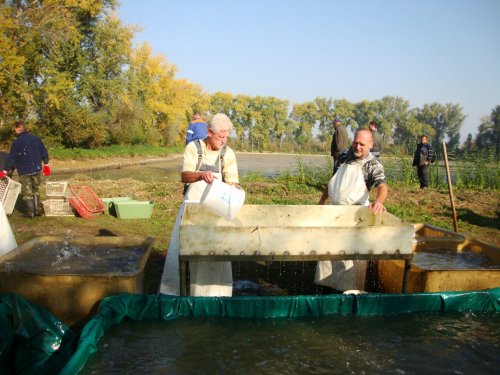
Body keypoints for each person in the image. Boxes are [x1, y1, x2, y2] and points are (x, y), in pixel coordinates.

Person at [160, 113, 240, 297]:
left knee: (218, 251)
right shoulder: (193, 148)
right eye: (221, 136)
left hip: (216, 210)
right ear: (210, 132)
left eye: (227, 136)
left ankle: (218, 294)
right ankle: (176, 293)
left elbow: (233, 181)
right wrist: (200, 175)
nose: (224, 140)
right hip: (192, 209)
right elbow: (185, 176)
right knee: (184, 250)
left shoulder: (228, 154)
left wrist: (235, 188)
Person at [317, 128, 388, 292]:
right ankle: (324, 287)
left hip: (355, 216)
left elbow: (382, 186)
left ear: (371, 144)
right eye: (355, 143)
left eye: (362, 144)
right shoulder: (343, 156)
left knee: (351, 256)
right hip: (333, 212)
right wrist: (322, 200)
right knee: (327, 251)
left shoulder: (372, 164)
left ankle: (350, 292)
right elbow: (332, 181)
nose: (357, 147)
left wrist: (378, 201)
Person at [2, 121, 49, 218]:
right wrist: (46, 163)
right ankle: (37, 210)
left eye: (15, 129)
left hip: (24, 170)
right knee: (36, 189)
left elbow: (12, 158)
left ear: (18, 128)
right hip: (37, 168)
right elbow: (44, 151)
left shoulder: (17, 142)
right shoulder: (36, 138)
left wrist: (5, 170)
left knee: (27, 192)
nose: (14, 131)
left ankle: (30, 213)